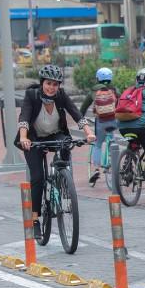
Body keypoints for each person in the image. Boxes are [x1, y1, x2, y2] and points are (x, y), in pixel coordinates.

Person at [15, 65, 96, 235]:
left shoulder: (60, 96)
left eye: (55, 84)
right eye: (48, 83)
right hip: (33, 139)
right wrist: (24, 138)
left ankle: (61, 177)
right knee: (37, 178)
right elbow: (24, 117)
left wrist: (89, 133)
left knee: (66, 144)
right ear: (42, 83)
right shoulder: (32, 95)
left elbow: (76, 113)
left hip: (55, 135)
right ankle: (35, 219)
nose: (52, 88)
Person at [117, 67, 145, 184]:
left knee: (133, 142)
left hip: (123, 127)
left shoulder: (129, 91)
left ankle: (127, 164)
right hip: (141, 128)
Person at [79, 67, 119, 185]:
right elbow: (121, 101)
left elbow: (83, 107)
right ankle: (113, 162)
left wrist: (81, 118)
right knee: (112, 141)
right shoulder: (114, 89)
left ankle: (96, 169)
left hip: (100, 122)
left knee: (97, 144)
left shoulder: (94, 90)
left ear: (98, 78)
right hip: (113, 120)